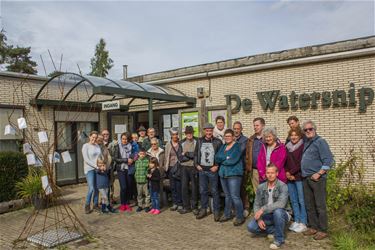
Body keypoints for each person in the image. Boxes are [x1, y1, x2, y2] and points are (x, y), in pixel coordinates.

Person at [301, 120, 334, 240]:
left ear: (315, 129)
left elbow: (329, 160)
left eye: (310, 129)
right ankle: (313, 227)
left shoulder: (320, 142)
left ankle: (323, 230)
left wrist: (319, 173)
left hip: (317, 179)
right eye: (305, 130)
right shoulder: (306, 142)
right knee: (309, 205)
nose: (308, 131)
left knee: (320, 205)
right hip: (306, 178)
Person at [247, 164, 290, 249]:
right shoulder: (261, 187)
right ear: (265, 174)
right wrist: (259, 219)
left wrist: (263, 209)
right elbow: (256, 204)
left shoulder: (283, 186)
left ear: (277, 173)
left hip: (282, 213)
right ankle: (277, 230)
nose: (270, 175)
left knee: (278, 212)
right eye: (268, 173)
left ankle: (279, 239)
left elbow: (281, 204)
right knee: (251, 227)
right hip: (268, 215)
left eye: (272, 173)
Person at [215, 129, 245, 226]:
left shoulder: (237, 146)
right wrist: (226, 157)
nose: (227, 138)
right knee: (227, 196)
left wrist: (223, 159)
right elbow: (217, 157)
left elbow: (233, 160)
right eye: (226, 136)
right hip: (223, 174)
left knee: (235, 196)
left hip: (234, 175)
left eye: (229, 136)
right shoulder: (223, 146)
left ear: (233, 137)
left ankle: (240, 216)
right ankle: (227, 214)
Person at [194, 123, 223, 221]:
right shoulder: (199, 141)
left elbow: (221, 156)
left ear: (212, 131)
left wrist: (217, 166)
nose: (209, 132)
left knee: (215, 191)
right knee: (203, 191)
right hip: (202, 170)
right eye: (207, 130)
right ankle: (203, 209)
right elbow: (195, 154)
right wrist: (196, 164)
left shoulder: (218, 142)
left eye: (210, 130)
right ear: (204, 131)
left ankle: (216, 211)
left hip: (212, 171)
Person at [285, 127, 307, 233]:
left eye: (296, 135)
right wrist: (287, 173)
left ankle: (303, 222)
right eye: (292, 135)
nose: (293, 137)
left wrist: (291, 173)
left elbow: (301, 163)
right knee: (293, 200)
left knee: (301, 200)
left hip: (298, 177)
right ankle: (297, 220)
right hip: (289, 178)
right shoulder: (287, 147)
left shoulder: (302, 147)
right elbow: (285, 161)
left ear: (300, 136)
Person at [113, 132, 137, 212]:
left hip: (130, 169)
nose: (124, 140)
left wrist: (133, 159)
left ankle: (127, 203)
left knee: (129, 186)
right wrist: (126, 160)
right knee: (123, 187)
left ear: (129, 139)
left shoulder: (132, 146)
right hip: (121, 169)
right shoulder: (117, 146)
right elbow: (115, 158)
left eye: (126, 139)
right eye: (123, 139)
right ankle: (123, 204)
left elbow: (135, 154)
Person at [178, 125, 199, 215]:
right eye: (187, 133)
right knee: (184, 187)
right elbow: (180, 157)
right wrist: (190, 156)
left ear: (193, 133)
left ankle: (194, 207)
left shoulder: (197, 141)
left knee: (194, 187)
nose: (189, 134)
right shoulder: (181, 142)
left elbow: (197, 154)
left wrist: (186, 153)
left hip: (193, 167)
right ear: (185, 134)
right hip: (183, 167)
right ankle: (186, 207)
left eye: (190, 133)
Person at [164, 128, 183, 211]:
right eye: (173, 135)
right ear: (171, 136)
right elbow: (166, 156)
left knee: (179, 186)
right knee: (173, 186)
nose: (175, 136)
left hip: (179, 167)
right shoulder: (168, 144)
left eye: (176, 134)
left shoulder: (181, 143)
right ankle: (174, 203)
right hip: (171, 167)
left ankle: (180, 203)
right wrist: (166, 167)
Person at [82, 131, 101, 214]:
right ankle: (87, 205)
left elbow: (100, 157)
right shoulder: (85, 146)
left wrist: (101, 165)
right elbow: (86, 160)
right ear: (90, 137)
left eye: (96, 137)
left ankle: (95, 205)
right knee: (91, 188)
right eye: (93, 137)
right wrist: (96, 166)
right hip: (89, 169)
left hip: (97, 168)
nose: (94, 139)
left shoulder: (97, 146)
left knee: (97, 188)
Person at [245, 117, 266, 193]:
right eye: (254, 125)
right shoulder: (251, 139)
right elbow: (247, 154)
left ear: (263, 126)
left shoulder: (268, 138)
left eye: (257, 125)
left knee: (267, 193)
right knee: (258, 192)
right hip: (254, 170)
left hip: (266, 170)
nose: (255, 127)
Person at [233, 121, 249, 217]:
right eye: (234, 129)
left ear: (241, 129)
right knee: (235, 190)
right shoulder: (231, 139)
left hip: (242, 168)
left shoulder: (244, 140)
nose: (236, 131)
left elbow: (239, 151)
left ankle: (246, 207)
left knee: (243, 189)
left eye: (238, 129)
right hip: (233, 169)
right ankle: (237, 208)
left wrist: (233, 143)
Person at [101, 129, 117, 204]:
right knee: (103, 183)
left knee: (111, 183)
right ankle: (103, 199)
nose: (105, 135)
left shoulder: (113, 144)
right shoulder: (99, 144)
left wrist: (111, 159)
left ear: (109, 135)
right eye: (104, 134)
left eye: (107, 134)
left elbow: (115, 155)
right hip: (102, 167)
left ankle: (111, 197)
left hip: (111, 167)